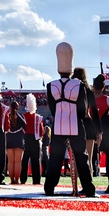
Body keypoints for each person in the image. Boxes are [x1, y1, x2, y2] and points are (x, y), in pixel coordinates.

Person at [43, 42, 95, 197]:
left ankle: (49, 188)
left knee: (55, 158)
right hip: (76, 124)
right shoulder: (78, 85)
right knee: (81, 157)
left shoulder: (51, 85)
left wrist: (61, 113)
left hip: (58, 124)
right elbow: (83, 107)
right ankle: (89, 189)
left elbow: (52, 108)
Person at [19, 92, 44, 185]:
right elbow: (41, 131)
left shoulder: (23, 116)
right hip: (35, 139)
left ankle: (23, 179)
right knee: (36, 160)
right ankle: (36, 180)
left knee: (24, 160)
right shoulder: (38, 117)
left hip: (25, 139)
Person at [5, 101, 25, 184]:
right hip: (19, 139)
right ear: (18, 107)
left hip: (9, 138)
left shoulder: (7, 116)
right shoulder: (20, 116)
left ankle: (11, 180)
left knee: (10, 161)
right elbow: (25, 126)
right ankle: (16, 180)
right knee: (17, 161)